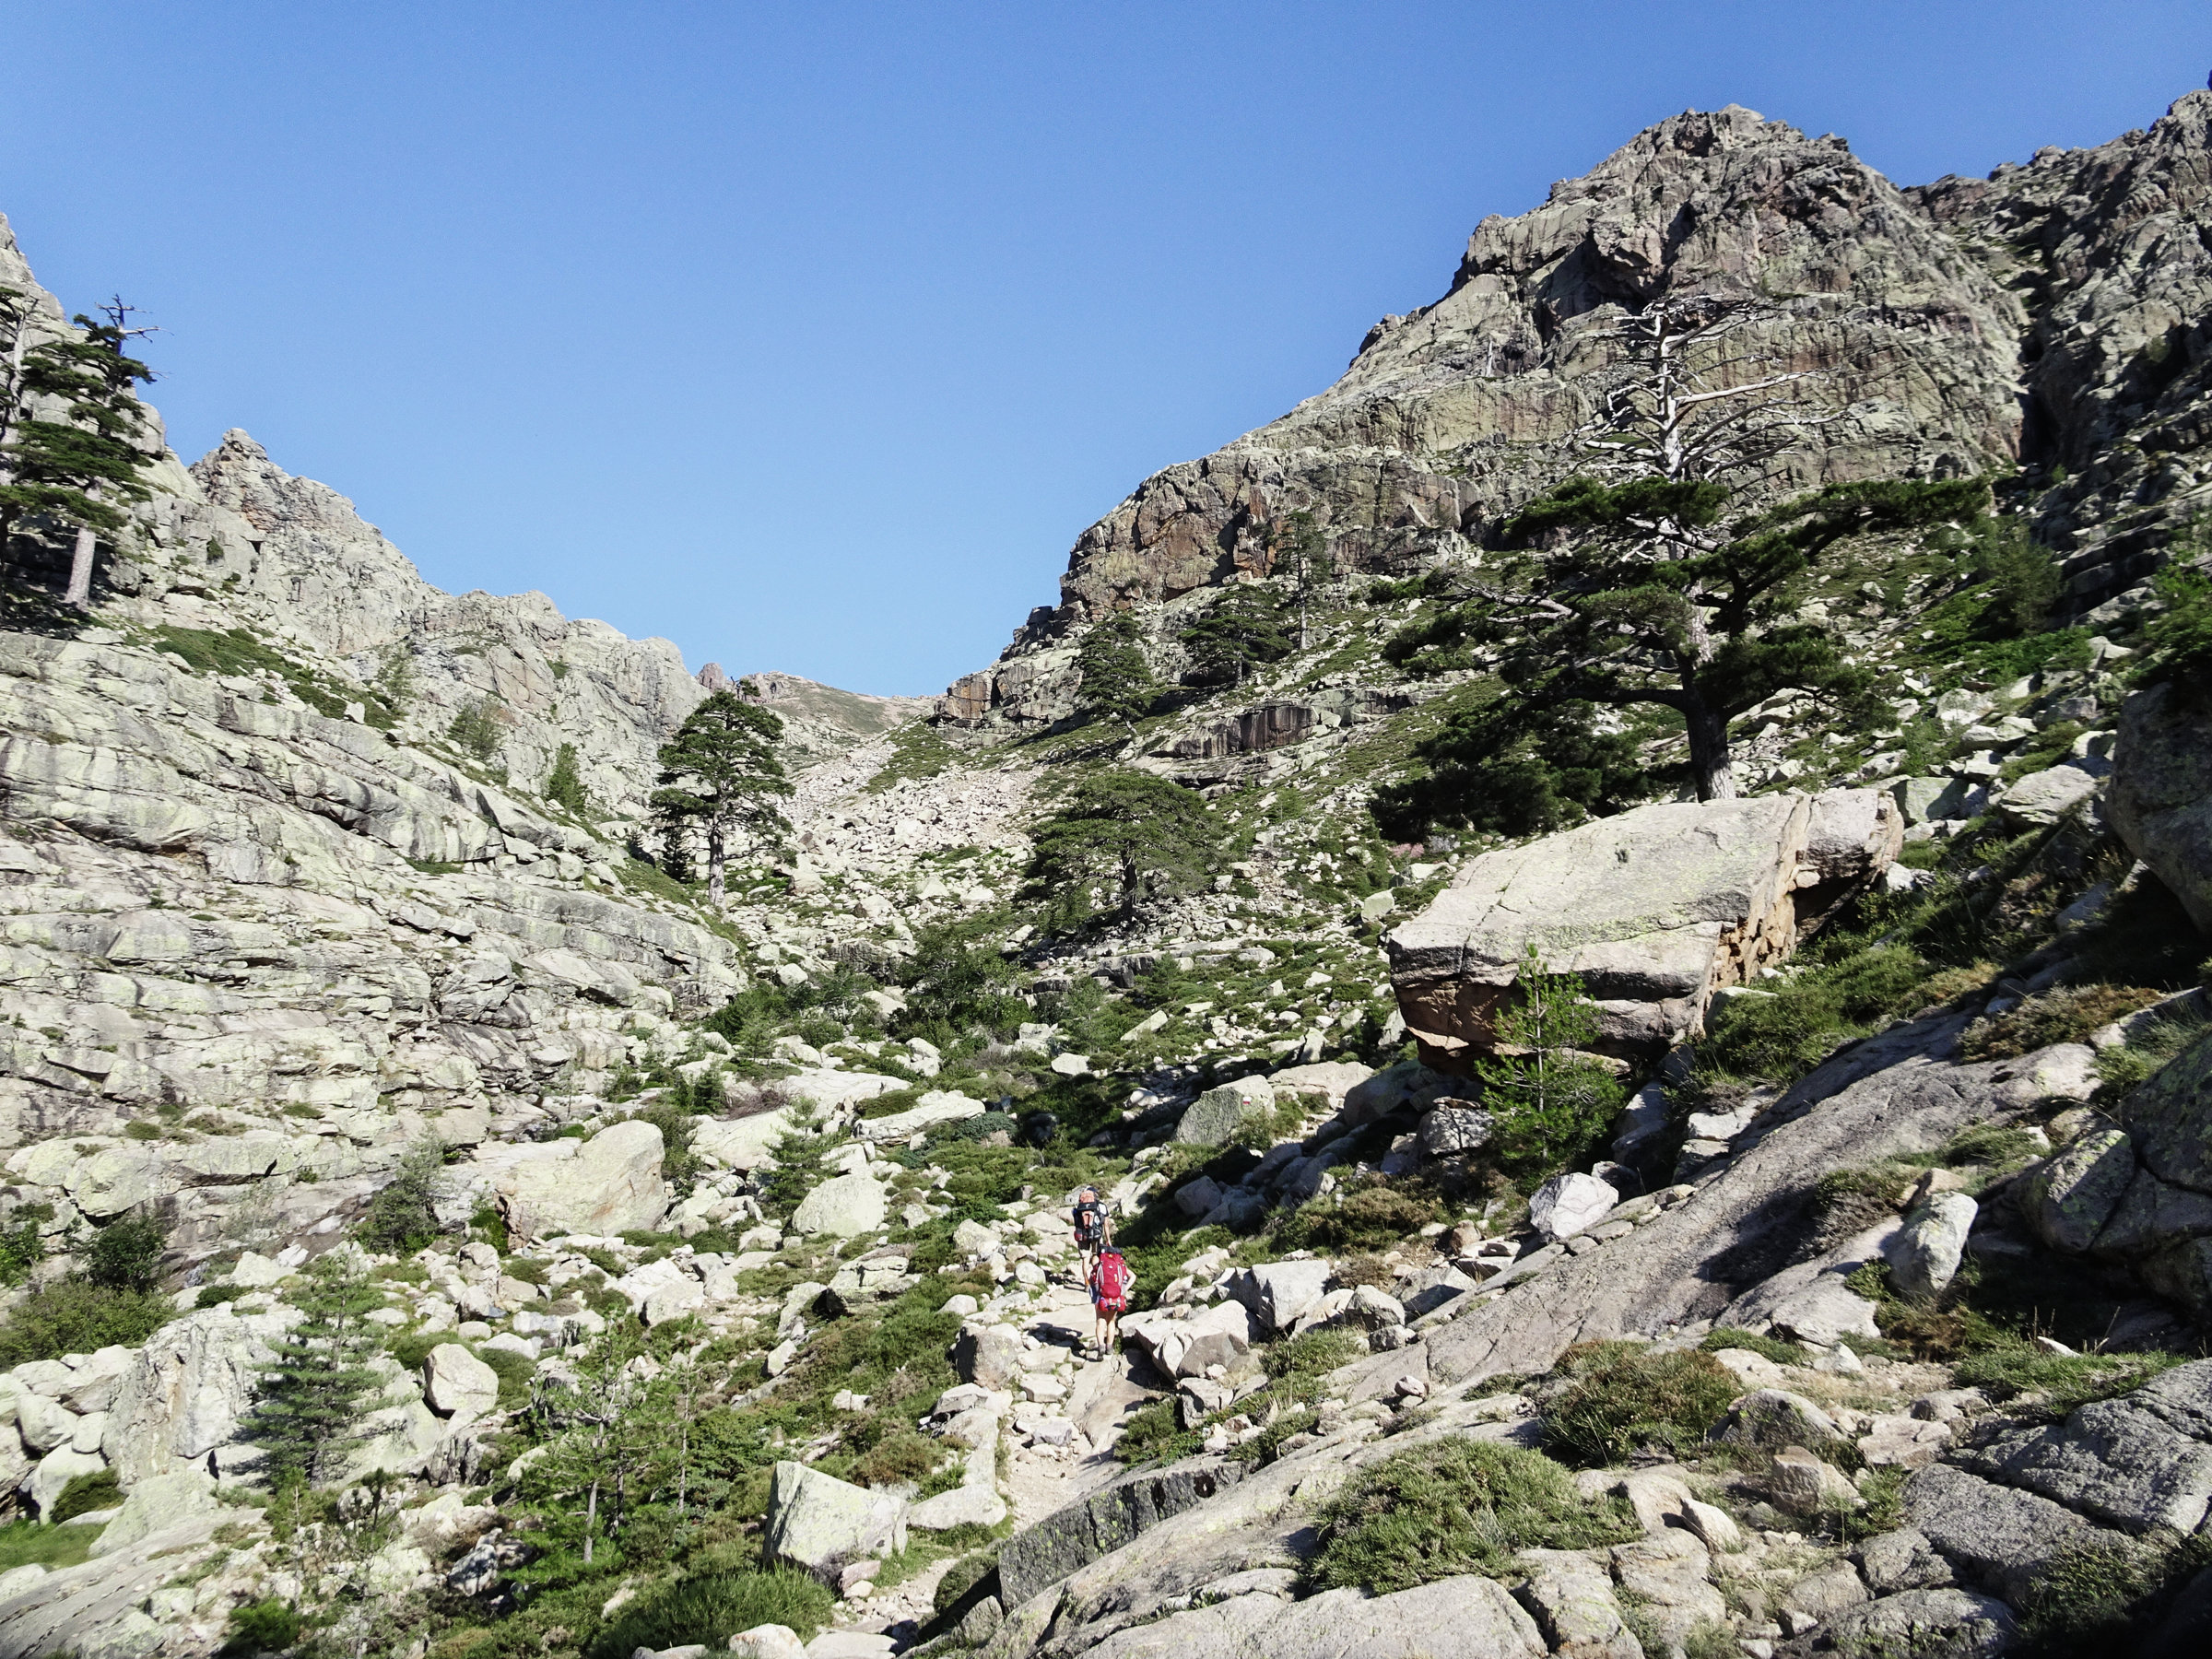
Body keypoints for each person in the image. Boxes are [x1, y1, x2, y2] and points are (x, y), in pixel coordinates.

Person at [1088, 1242, 1133, 1360]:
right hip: (1115, 1297)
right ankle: (1109, 1347)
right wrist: (1123, 1290)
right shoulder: (1119, 1264)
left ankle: (1101, 1347)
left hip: (1101, 1297)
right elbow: (1133, 1276)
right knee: (1111, 1321)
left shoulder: (1100, 1263)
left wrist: (1092, 1286)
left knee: (1100, 1322)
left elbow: (1089, 1274)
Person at [1071, 1185, 1110, 1285]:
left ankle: (1087, 1283)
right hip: (1096, 1234)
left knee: (1085, 1258)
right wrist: (1108, 1239)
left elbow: (1075, 1220)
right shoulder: (1101, 1206)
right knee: (1095, 1255)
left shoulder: (1079, 1206)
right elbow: (1106, 1225)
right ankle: (1095, 1281)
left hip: (1082, 1235)